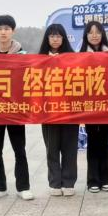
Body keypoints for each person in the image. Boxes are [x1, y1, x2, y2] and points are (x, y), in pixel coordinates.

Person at [0, 15, 33, 201]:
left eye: (7, 29)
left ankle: (23, 187)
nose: (3, 32)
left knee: (19, 149)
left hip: (15, 109)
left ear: (13, 31)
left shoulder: (23, 55)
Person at [38, 23, 79, 196]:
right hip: (48, 111)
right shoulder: (39, 59)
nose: (55, 39)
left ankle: (68, 182)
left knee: (70, 148)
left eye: (58, 36)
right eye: (52, 36)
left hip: (70, 111)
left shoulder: (73, 58)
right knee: (52, 148)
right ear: (47, 39)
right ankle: (55, 183)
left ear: (64, 38)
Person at [79, 21, 108, 193]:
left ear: (102, 35)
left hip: (107, 105)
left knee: (104, 142)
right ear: (85, 35)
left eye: (98, 32)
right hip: (89, 106)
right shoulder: (79, 56)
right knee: (93, 141)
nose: (94, 35)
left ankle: (105, 178)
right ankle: (93, 179)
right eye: (90, 32)